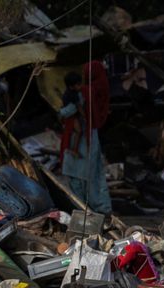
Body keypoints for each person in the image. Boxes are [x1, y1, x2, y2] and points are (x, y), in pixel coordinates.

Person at [59, 60, 112, 215]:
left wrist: (61, 113)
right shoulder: (100, 87)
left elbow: (68, 111)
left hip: (82, 138)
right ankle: (99, 205)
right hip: (91, 135)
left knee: (76, 173)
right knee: (94, 173)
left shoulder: (84, 92)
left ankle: (80, 205)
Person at [61, 71, 84, 155]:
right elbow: (79, 106)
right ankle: (74, 150)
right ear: (71, 86)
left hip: (67, 116)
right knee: (78, 131)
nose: (80, 86)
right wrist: (84, 116)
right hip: (72, 117)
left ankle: (73, 149)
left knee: (70, 133)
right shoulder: (74, 95)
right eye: (78, 85)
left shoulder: (67, 92)